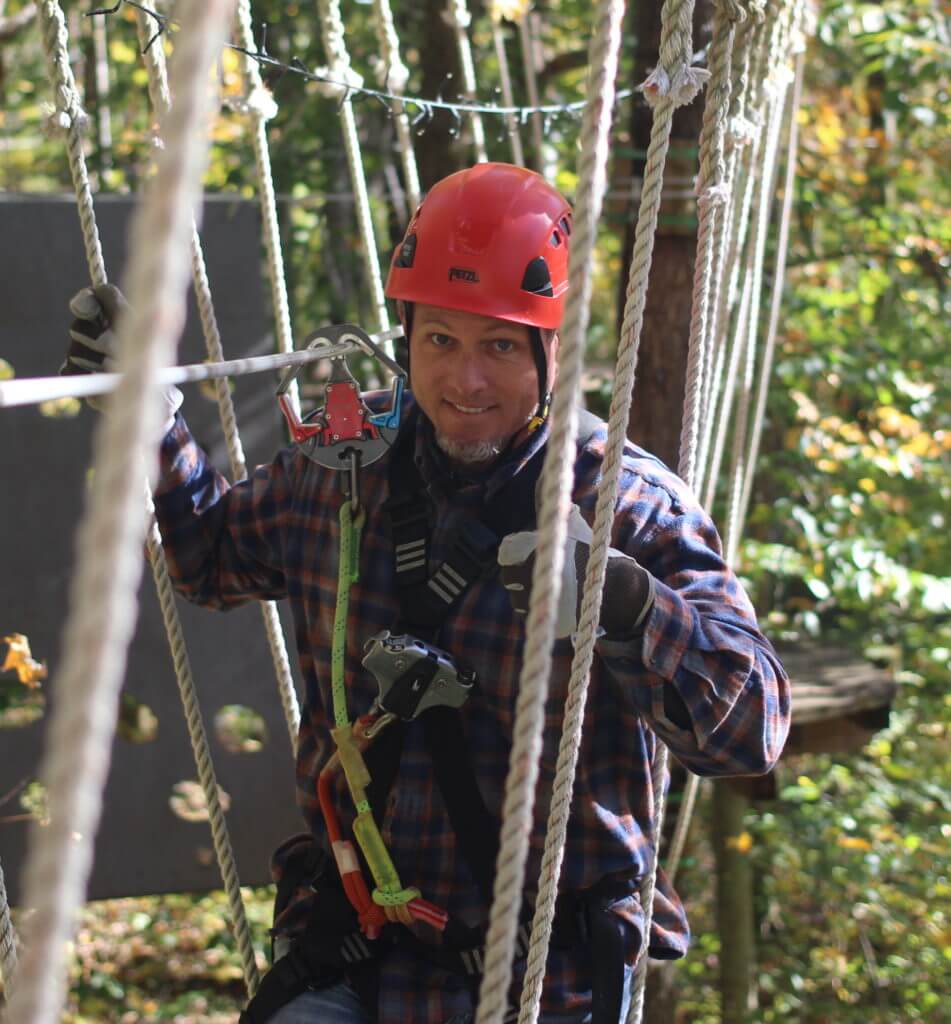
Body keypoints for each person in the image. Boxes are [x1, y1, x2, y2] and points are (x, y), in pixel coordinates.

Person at [64, 163, 790, 1024]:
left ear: (550, 351)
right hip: (359, 953)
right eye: (439, 341)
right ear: (403, 334)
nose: (464, 383)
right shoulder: (339, 470)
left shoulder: (625, 504)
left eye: (497, 346)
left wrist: (629, 609)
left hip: (543, 979)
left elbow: (752, 732)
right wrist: (148, 417)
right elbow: (212, 558)